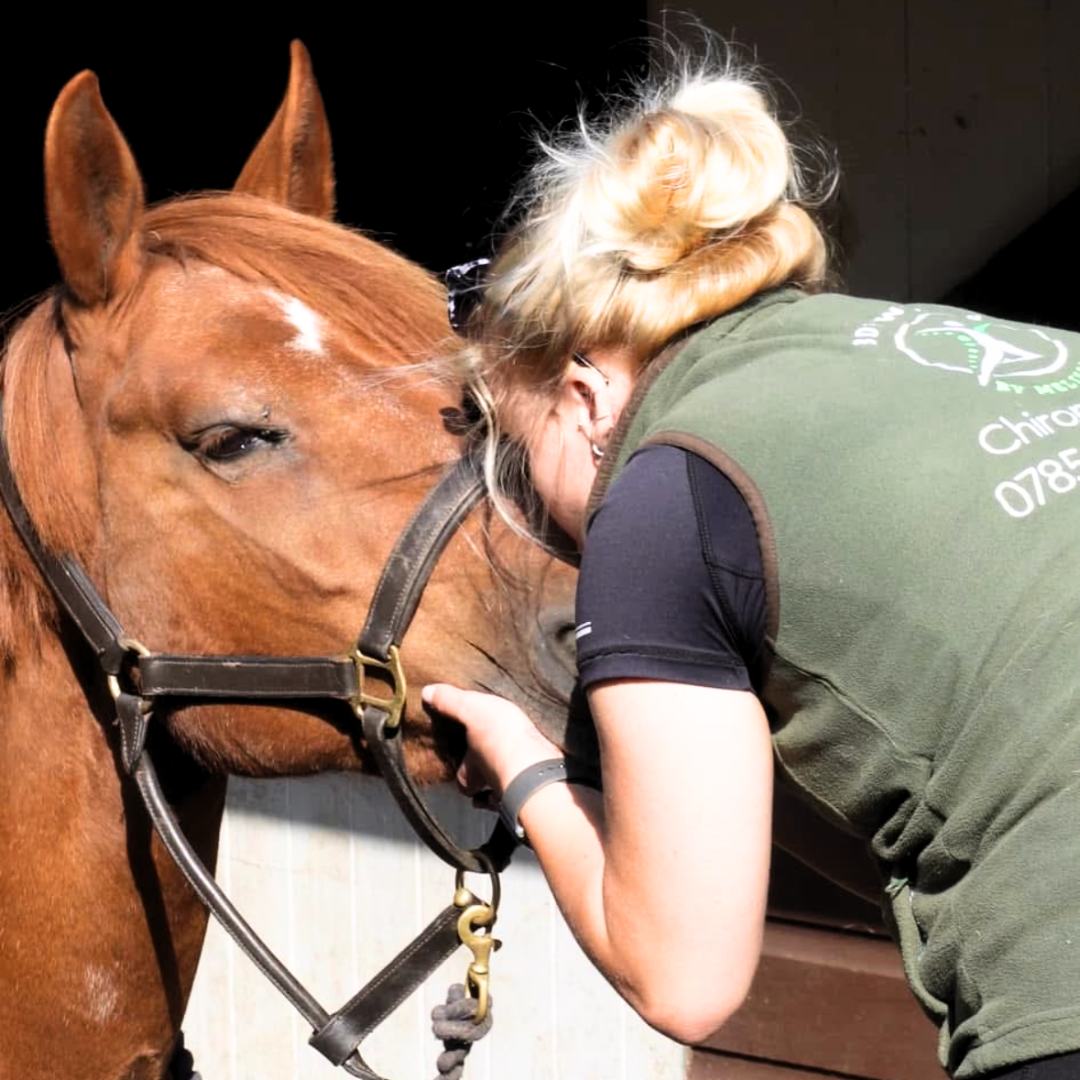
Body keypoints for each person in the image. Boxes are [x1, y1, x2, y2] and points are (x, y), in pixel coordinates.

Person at [421, 43, 1080, 1080]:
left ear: (588, 397)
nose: (550, 521)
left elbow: (686, 977)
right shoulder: (940, 343)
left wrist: (520, 754)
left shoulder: (664, 487)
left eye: (522, 450)